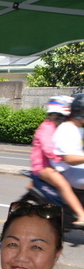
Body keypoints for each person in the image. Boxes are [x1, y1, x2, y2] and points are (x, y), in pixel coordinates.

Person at [31, 95, 84, 226]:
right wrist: (62, 157)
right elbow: (48, 147)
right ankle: (81, 215)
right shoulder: (47, 126)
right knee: (63, 185)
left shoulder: (65, 127)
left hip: (55, 164)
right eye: (59, 116)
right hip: (43, 166)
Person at [52, 93, 84, 192]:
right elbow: (69, 159)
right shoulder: (66, 129)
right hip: (67, 170)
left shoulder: (79, 129)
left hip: (77, 168)